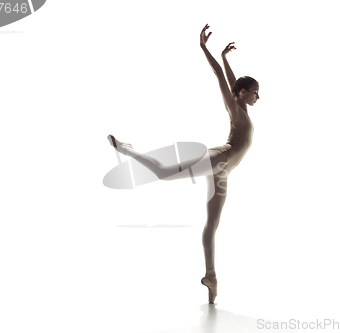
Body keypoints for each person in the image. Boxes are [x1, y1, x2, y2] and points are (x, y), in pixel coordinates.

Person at [107, 23, 260, 304]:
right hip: (220, 158)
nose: (257, 96)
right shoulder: (236, 107)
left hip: (224, 174)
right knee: (165, 175)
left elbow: (232, 81)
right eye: (254, 92)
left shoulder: (242, 106)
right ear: (242, 93)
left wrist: (227, 59)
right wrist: (205, 48)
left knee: (213, 223)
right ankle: (129, 150)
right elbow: (222, 79)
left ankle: (211, 277)